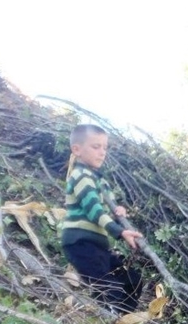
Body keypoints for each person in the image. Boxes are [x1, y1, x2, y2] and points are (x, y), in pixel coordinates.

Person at [61, 123, 144, 313]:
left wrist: (117, 212)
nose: (102, 152)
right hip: (80, 244)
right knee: (109, 289)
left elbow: (106, 210)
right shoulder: (80, 175)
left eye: (105, 148)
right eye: (96, 147)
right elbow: (94, 211)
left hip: (98, 247)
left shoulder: (100, 180)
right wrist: (120, 231)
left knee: (133, 281)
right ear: (77, 149)